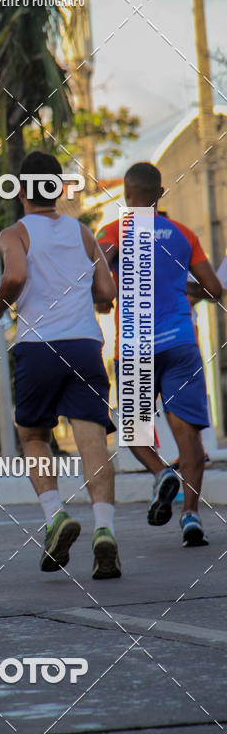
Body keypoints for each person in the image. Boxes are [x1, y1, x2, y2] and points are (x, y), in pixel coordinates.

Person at [0, 151, 121, 579]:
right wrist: (96, 299)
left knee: (32, 436)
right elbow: (106, 288)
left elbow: (16, 277)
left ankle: (55, 516)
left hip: (39, 346)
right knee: (92, 439)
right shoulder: (83, 233)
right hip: (84, 344)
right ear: (60, 190)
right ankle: (105, 531)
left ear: (22, 191)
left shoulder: (15, 233)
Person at [97, 162, 222, 546]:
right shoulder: (184, 235)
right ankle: (191, 518)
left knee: (133, 430)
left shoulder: (112, 232)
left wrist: (106, 297)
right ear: (161, 193)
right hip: (181, 343)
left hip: (134, 347)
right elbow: (215, 288)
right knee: (188, 433)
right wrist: (185, 288)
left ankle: (161, 473)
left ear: (127, 194)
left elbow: (97, 285)